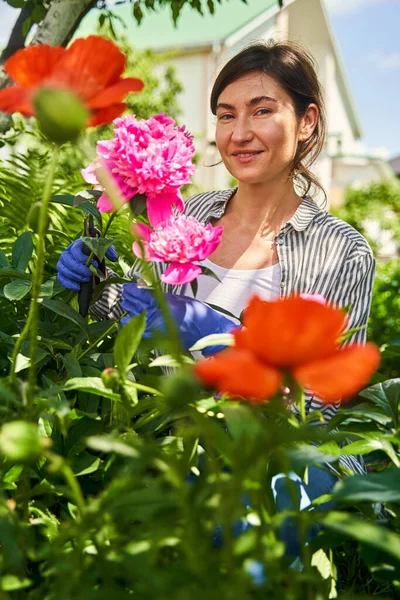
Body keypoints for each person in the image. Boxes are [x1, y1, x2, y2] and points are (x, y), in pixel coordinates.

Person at [57, 41, 375, 556]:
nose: (239, 133)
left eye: (262, 111)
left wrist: (218, 339)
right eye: (226, 115)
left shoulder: (341, 250)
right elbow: (144, 316)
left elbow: (317, 409)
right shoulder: (186, 210)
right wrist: (88, 286)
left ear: (308, 121)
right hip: (178, 428)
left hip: (285, 452)